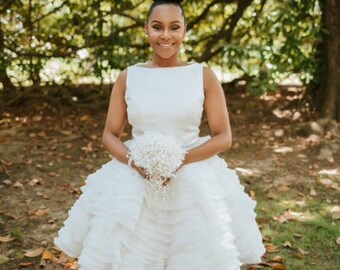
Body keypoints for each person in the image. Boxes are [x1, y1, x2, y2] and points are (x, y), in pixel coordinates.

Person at [54, 0, 266, 269]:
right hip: (137, 177)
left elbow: (223, 136)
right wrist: (138, 164)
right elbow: (109, 135)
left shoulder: (203, 76)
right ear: (146, 30)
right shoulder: (128, 77)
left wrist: (179, 161)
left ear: (184, 31)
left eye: (174, 27)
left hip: (193, 176)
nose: (166, 35)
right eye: (157, 27)